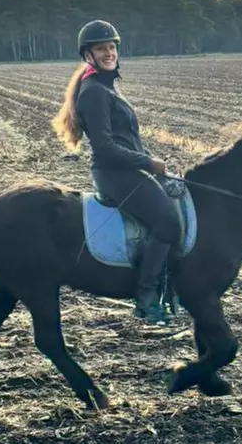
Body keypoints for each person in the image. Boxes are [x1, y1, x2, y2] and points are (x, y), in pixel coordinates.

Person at [52, 19, 180, 324]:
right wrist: (148, 164)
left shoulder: (107, 86)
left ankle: (171, 287)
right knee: (167, 223)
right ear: (89, 55)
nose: (109, 53)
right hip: (116, 174)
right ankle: (147, 297)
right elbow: (107, 148)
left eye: (111, 47)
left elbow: (128, 139)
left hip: (127, 169)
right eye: (101, 48)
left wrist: (153, 163)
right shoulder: (94, 92)